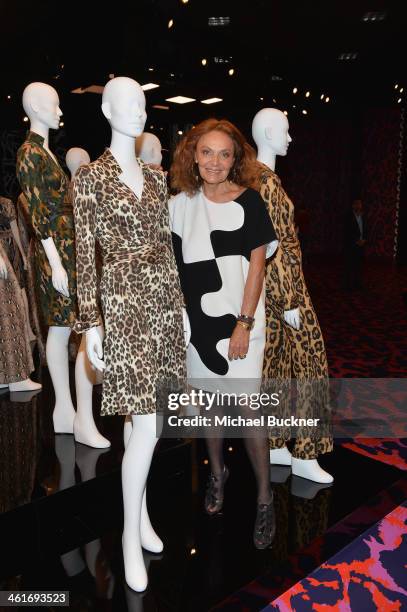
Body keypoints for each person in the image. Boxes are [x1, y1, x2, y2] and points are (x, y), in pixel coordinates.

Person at [169, 118, 278, 549]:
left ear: (236, 160)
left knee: (249, 412)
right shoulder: (178, 205)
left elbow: (257, 267)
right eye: (207, 152)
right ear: (193, 156)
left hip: (240, 322)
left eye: (225, 153)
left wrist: (244, 323)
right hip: (198, 324)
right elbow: (170, 268)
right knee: (211, 404)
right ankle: (217, 474)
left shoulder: (250, 202)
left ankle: (265, 499)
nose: (215, 161)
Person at [344, 199, 366, 290]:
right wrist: (355, 241)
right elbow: (347, 232)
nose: (358, 206)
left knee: (359, 266)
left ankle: (358, 284)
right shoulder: (348, 217)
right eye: (356, 204)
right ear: (353, 205)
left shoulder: (363, 216)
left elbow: (366, 229)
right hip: (351, 246)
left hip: (361, 245)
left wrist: (364, 240)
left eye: (360, 204)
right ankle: (349, 286)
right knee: (350, 266)